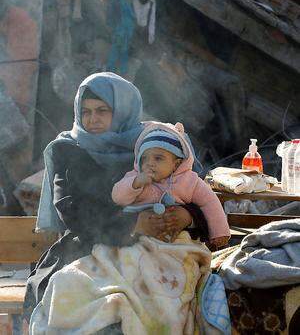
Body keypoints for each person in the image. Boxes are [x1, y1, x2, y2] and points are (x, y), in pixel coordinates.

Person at [25, 72, 209, 325]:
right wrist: (132, 226)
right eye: (86, 111)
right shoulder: (67, 149)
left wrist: (188, 215)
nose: (92, 119)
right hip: (88, 244)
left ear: (123, 109)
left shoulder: (152, 144)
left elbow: (195, 190)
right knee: (92, 304)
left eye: (102, 110)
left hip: (159, 246)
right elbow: (71, 211)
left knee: (177, 298)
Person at [112, 122, 230, 248]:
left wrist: (219, 232)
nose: (149, 163)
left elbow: (210, 202)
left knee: (186, 253)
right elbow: (117, 197)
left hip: (178, 237)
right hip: (138, 238)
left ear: (176, 164)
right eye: (144, 158)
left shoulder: (189, 181)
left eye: (158, 158)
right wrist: (135, 183)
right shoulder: (134, 177)